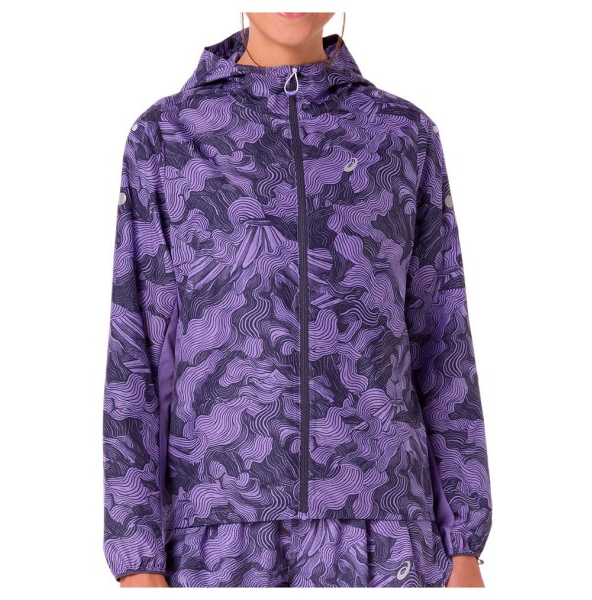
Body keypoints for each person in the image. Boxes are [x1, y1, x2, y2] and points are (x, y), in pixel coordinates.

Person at [102, 11, 493, 588]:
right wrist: (137, 559)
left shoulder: (402, 135)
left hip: (386, 539)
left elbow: (442, 343)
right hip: (218, 544)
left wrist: (463, 545)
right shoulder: (167, 137)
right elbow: (136, 349)